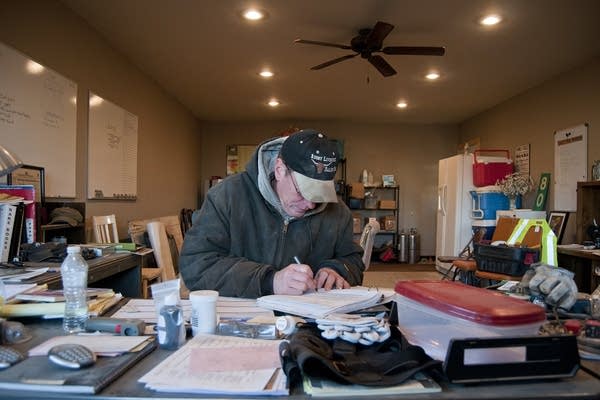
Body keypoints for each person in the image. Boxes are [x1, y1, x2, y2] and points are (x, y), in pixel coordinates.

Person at [179, 129, 365, 298]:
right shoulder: (227, 196)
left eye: (320, 194)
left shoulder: (338, 212)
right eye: (302, 192)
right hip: (239, 318)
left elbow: (354, 261)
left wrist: (337, 270)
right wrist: (270, 281)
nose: (310, 204)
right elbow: (196, 265)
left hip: (309, 321)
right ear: (279, 170)